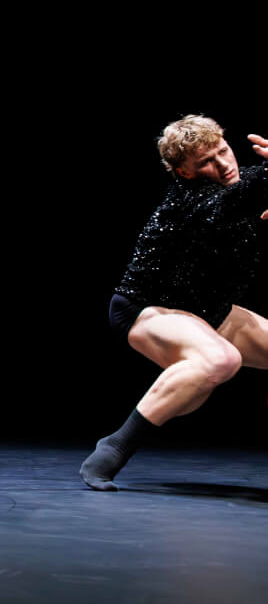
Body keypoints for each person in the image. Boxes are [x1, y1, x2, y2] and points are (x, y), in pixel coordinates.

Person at [80, 115, 268, 490]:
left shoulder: (241, 183)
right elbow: (234, 203)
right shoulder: (192, 199)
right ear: (184, 172)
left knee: (209, 372)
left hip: (210, 311)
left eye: (224, 151)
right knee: (220, 359)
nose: (224, 164)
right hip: (146, 309)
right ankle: (113, 448)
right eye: (206, 162)